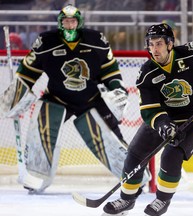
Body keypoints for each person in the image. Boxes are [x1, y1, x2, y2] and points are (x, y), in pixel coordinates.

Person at [102, 23, 193, 216]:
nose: (154, 49)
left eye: (158, 44)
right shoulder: (147, 72)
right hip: (164, 119)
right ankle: (127, 198)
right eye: (150, 44)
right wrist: (163, 125)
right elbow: (149, 109)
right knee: (136, 152)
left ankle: (162, 199)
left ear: (170, 44)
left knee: (171, 156)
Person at [0, 5, 130, 193]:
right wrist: (15, 94)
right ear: (60, 23)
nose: (69, 25)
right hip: (57, 98)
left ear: (79, 22)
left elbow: (110, 71)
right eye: (66, 22)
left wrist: (117, 88)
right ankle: (37, 176)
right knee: (41, 131)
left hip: (91, 99)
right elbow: (27, 73)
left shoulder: (96, 40)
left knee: (112, 140)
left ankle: (133, 174)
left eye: (73, 21)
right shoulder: (46, 42)